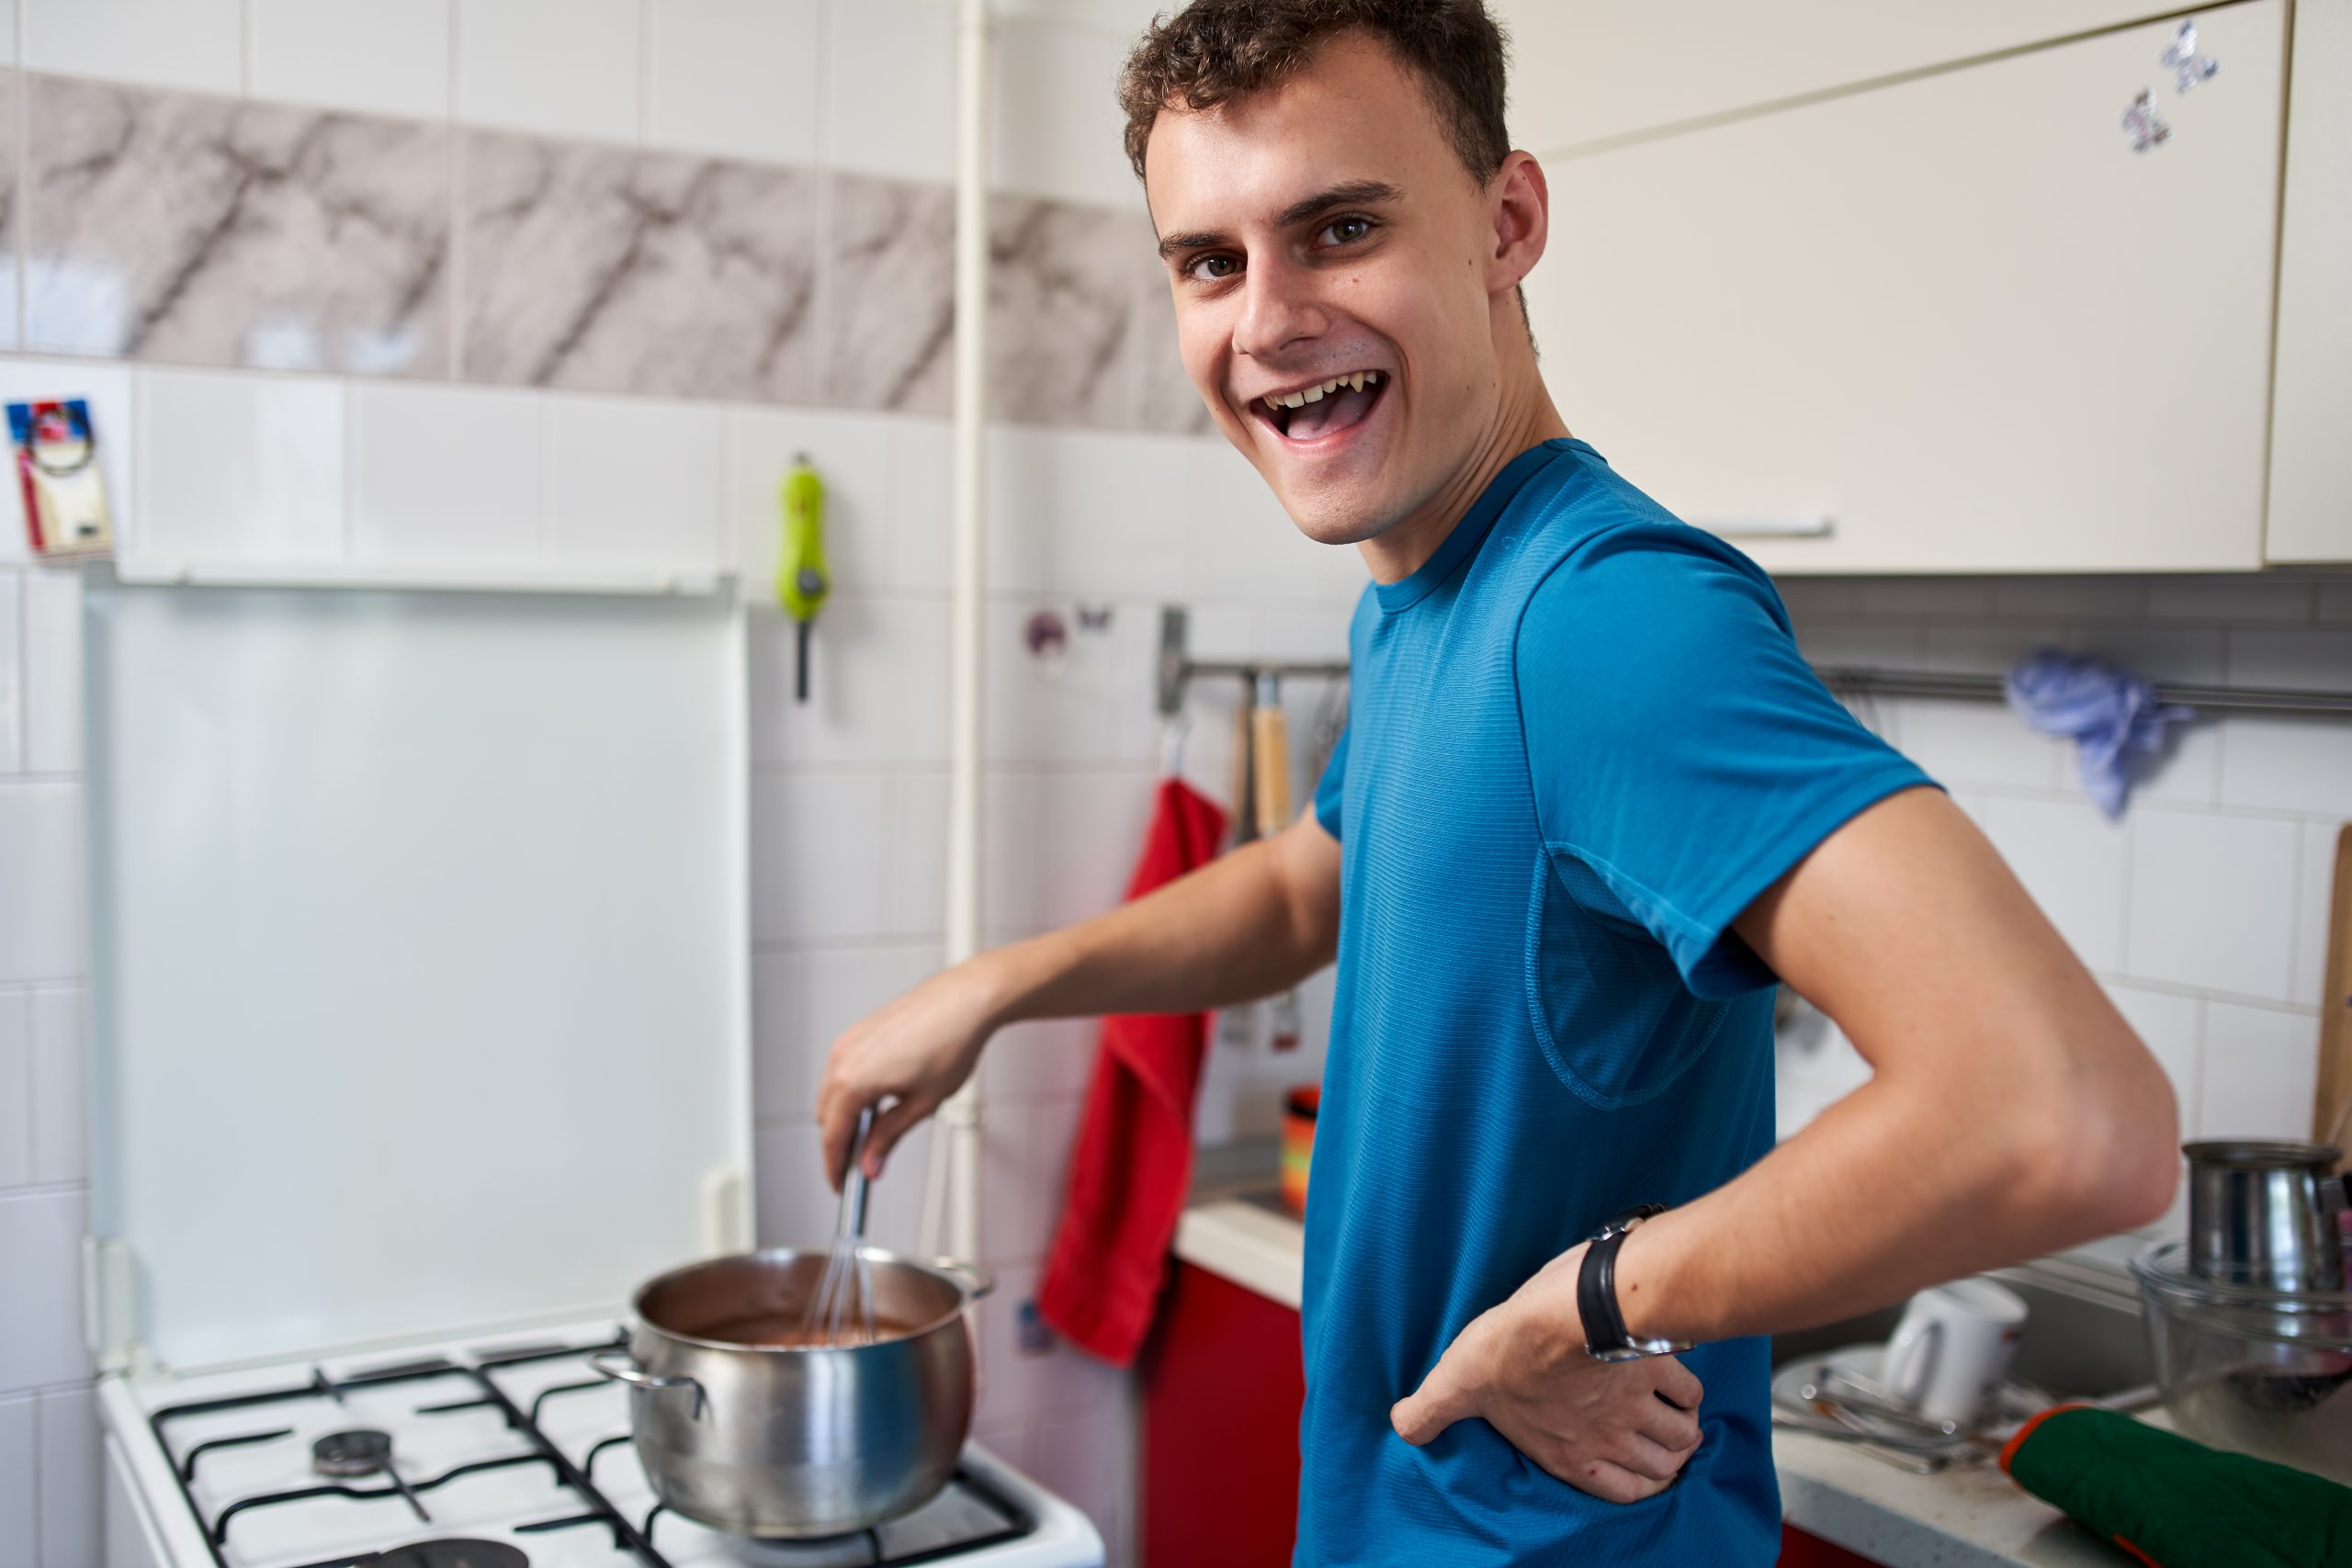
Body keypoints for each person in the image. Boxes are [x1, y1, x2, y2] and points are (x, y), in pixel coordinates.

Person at [817, 3, 2180, 1562]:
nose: (1268, 322)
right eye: (1209, 261)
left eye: (1340, 229)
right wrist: (993, 988)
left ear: (1507, 223)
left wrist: (1582, 1305)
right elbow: (1310, 881)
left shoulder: (1604, 622)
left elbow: (2064, 1114)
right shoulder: (1425, 594)